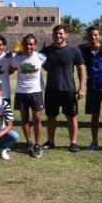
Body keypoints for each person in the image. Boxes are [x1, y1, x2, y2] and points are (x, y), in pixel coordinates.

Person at [41, 24, 86, 152]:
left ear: (65, 35)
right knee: (51, 117)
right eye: (55, 33)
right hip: (51, 90)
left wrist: (82, 88)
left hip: (68, 90)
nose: (58, 36)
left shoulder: (74, 50)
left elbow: (81, 69)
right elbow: (35, 60)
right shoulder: (46, 51)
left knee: (71, 117)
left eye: (61, 33)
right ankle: (50, 141)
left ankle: (73, 143)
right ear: (52, 35)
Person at [10, 34, 46, 158]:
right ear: (22, 45)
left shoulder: (41, 57)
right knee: (24, 119)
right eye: (25, 44)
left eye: (31, 44)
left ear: (35, 45)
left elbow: (51, 65)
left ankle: (38, 144)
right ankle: (28, 142)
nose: (28, 46)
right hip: (21, 91)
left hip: (36, 91)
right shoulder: (16, 58)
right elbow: (10, 70)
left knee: (37, 119)